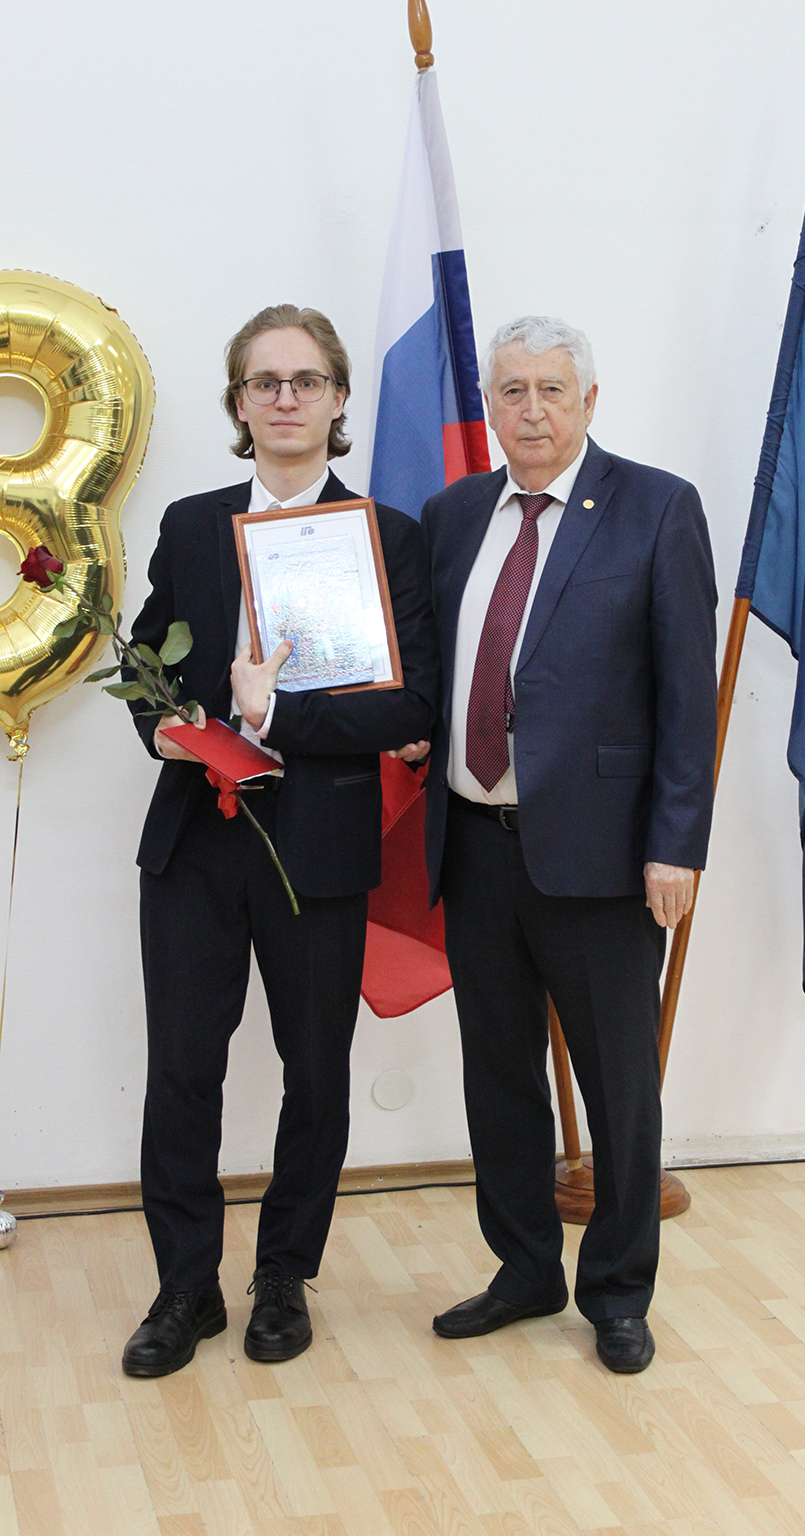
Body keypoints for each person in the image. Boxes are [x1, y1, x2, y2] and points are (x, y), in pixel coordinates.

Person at [393, 315, 717, 1373]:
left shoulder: (656, 506)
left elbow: (686, 698)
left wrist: (676, 844)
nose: (530, 410)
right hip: (472, 844)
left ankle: (617, 1290)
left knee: (620, 1086)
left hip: (605, 856)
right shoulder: (451, 515)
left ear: (589, 400)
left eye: (551, 390)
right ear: (488, 403)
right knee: (498, 1076)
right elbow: (436, 666)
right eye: (512, 390)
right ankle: (524, 1268)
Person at [121, 304, 438, 1377]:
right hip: (195, 845)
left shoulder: (390, 537)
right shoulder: (190, 524)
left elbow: (411, 705)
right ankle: (185, 1287)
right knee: (181, 1071)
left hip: (318, 845)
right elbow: (147, 666)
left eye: (306, 381)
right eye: (266, 382)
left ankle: (283, 1277)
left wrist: (276, 718)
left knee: (315, 1074)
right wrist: (162, 726)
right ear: (240, 403)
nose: (286, 399)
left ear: (339, 399)